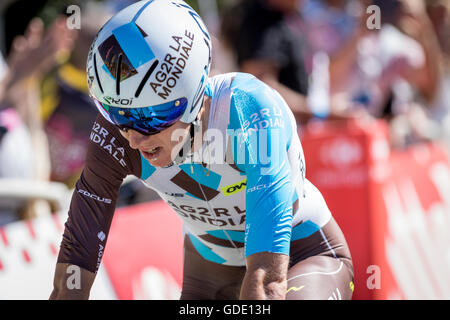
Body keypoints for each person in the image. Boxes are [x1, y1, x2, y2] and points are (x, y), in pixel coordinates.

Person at [50, 0, 353, 300]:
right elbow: (72, 277)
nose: (134, 139)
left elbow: (266, 282)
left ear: (194, 94)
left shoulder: (250, 112)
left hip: (300, 253)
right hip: (210, 273)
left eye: (152, 117)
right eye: (116, 114)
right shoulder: (114, 137)